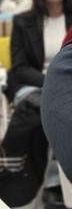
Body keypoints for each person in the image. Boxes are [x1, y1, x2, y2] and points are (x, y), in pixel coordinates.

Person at [4, 0, 72, 209]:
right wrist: (54, 84)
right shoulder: (24, 21)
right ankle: (53, 182)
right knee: (54, 108)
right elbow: (20, 67)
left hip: (67, 82)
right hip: (31, 83)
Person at [42, 34, 72, 180]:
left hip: (51, 84)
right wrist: (44, 82)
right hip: (41, 83)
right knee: (30, 112)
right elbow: (20, 68)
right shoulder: (65, 63)